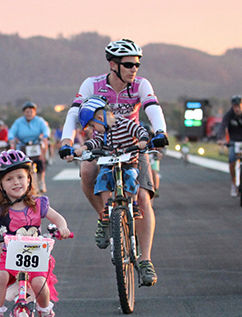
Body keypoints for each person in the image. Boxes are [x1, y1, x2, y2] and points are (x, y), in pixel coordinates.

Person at [58, 38, 169, 287]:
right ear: (112, 64)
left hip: (132, 144)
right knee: (86, 171)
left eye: (137, 64)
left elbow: (152, 107)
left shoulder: (140, 84)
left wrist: (159, 132)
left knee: (142, 198)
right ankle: (105, 217)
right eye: (128, 64)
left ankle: (146, 260)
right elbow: (74, 112)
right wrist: (67, 141)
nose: (134, 69)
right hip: (103, 145)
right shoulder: (93, 84)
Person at [0, 149, 70, 317]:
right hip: (8, 256)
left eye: (20, 176)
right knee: (0, 277)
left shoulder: (38, 204)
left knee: (40, 284)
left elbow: (58, 218)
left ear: (29, 179)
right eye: (9, 179)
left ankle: (45, 313)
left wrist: (63, 228)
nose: (16, 182)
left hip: (35, 256)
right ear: (0, 185)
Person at [74, 95, 150, 222]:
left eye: (93, 125)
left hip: (128, 163)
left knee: (130, 178)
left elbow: (141, 132)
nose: (94, 129)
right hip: (109, 165)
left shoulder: (125, 123)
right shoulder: (101, 133)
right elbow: (95, 141)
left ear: (100, 118)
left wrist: (142, 141)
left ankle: (133, 204)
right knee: (102, 178)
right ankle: (107, 207)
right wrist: (84, 148)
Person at [9, 101, 50, 193]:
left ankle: (41, 181)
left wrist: (45, 136)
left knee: (40, 161)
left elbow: (45, 129)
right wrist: (11, 138)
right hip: (23, 145)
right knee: (24, 164)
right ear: (24, 113)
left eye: (31, 112)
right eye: (27, 112)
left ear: (34, 112)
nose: (29, 114)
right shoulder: (18, 122)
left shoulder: (39, 121)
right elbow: (12, 131)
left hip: (36, 144)